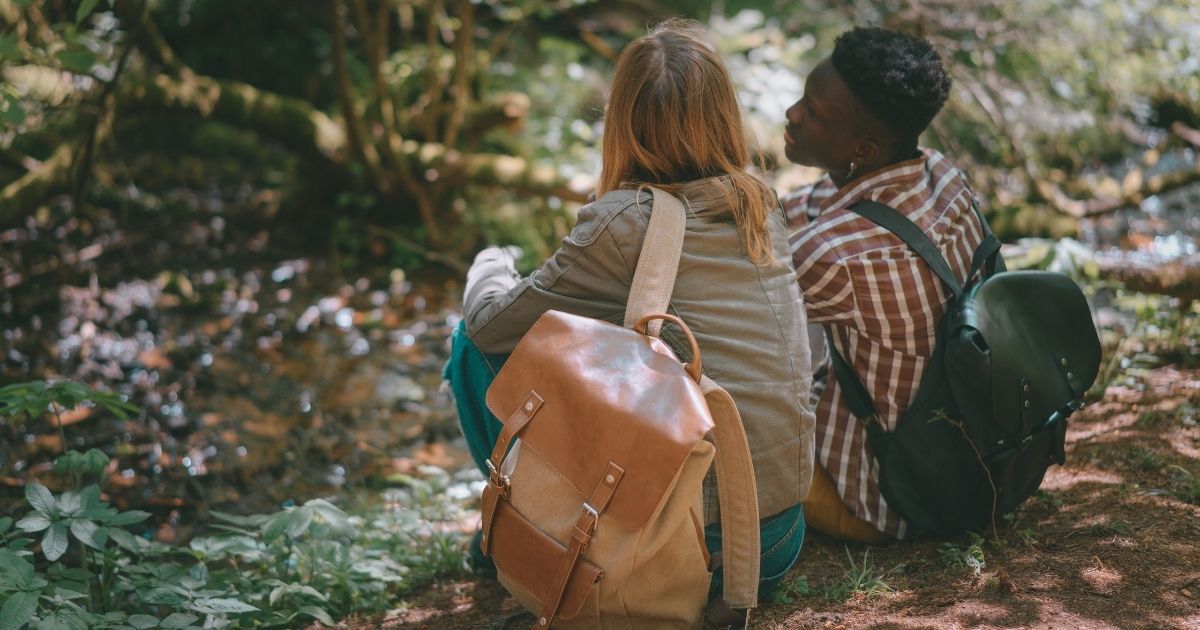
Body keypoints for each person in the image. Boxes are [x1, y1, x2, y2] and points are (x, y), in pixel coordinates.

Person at [443, 19, 816, 613]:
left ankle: (516, 517)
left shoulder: (624, 220)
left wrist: (491, 260)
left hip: (686, 552)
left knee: (469, 344)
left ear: (622, 122)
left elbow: (492, 328)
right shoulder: (759, 205)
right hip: (775, 537)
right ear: (725, 115)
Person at [781, 27, 984, 541]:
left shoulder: (830, 256)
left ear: (862, 149)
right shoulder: (940, 173)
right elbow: (818, 206)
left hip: (883, 496)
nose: (792, 114)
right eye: (803, 97)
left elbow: (735, 315)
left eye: (814, 112)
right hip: (968, 458)